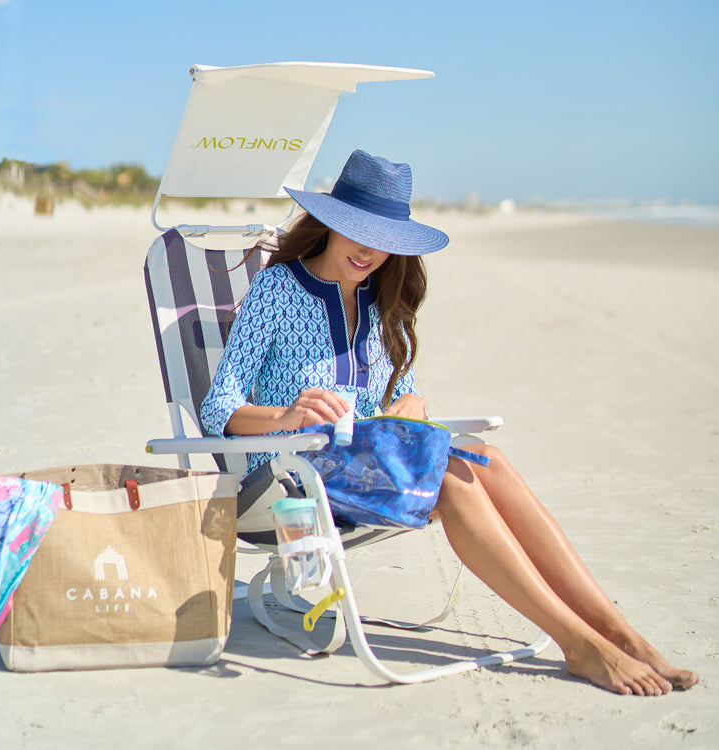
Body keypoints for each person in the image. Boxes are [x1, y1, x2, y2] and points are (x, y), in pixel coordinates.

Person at [201, 149, 699, 696]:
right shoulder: (277, 292)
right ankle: (580, 645)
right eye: (358, 233)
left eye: (386, 239)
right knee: (456, 482)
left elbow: (399, 391)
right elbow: (217, 408)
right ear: (331, 223)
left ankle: (620, 634)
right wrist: (287, 415)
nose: (370, 251)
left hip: (362, 464)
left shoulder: (374, 301)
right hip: (292, 478)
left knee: (488, 459)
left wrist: (411, 403)